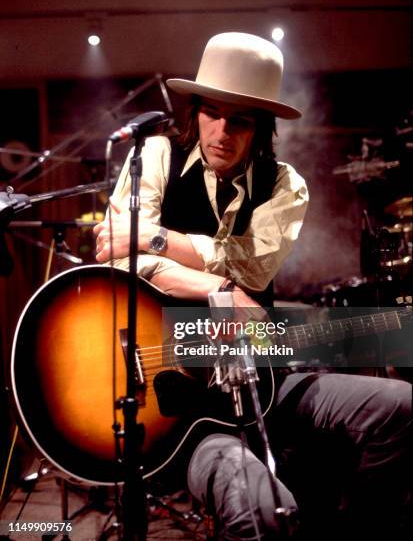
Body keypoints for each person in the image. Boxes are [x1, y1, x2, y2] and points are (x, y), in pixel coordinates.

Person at [94, 32, 412, 540]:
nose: (221, 132)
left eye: (239, 120)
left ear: (261, 128)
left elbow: (253, 270)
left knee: (402, 407)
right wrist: (219, 286)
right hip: (177, 411)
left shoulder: (285, 185)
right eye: (211, 114)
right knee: (261, 506)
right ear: (193, 110)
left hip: (262, 372)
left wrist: (158, 240)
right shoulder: (153, 155)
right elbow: (116, 259)